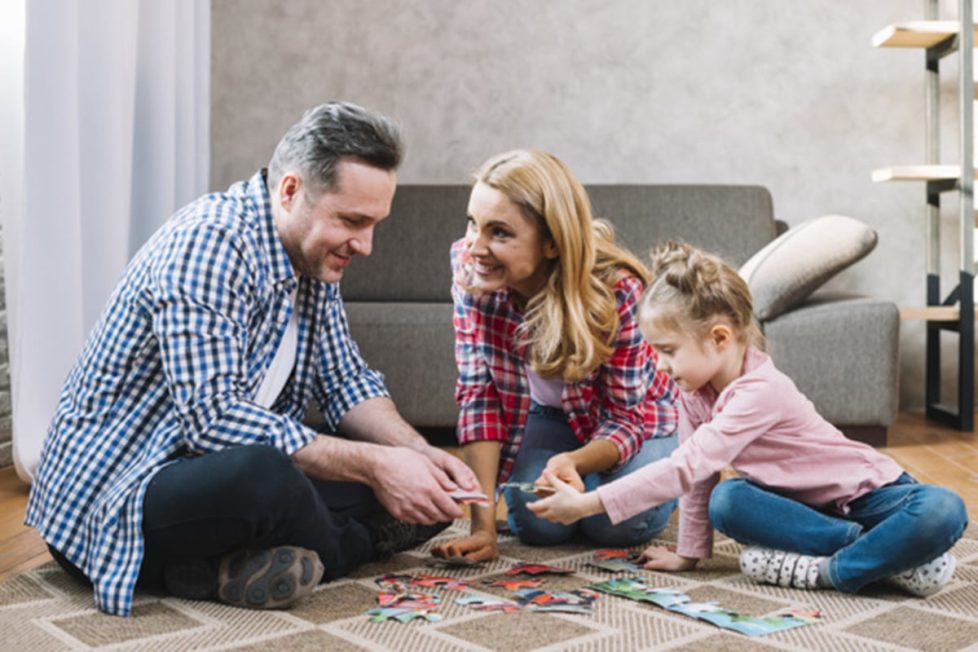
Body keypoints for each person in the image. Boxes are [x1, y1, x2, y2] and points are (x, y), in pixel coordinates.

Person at [26, 102, 479, 617]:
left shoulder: (312, 257)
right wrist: (377, 466)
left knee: (426, 491)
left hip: (207, 481)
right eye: (353, 220)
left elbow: (344, 380)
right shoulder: (211, 243)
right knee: (266, 474)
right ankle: (342, 546)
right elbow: (213, 421)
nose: (367, 245)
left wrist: (414, 452)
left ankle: (223, 569)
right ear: (290, 191)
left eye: (374, 224)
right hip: (120, 496)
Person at [529, 241, 968, 597]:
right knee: (729, 500)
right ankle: (888, 559)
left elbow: (681, 469)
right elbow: (698, 477)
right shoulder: (693, 392)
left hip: (874, 496)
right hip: (809, 513)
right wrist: (689, 553)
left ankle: (832, 572)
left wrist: (587, 504)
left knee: (945, 509)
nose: (659, 365)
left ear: (719, 338)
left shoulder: (760, 391)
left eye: (667, 350)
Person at [431, 150, 679, 562]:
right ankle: (599, 482)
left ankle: (674, 468)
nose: (475, 246)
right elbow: (480, 398)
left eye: (500, 233)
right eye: (473, 223)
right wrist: (483, 528)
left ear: (551, 242)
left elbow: (628, 417)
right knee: (538, 524)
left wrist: (575, 462)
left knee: (613, 524)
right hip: (547, 417)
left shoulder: (618, 291)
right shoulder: (471, 272)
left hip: (642, 421)